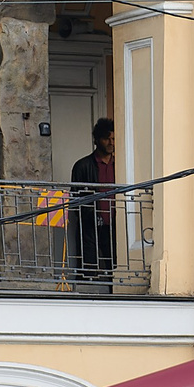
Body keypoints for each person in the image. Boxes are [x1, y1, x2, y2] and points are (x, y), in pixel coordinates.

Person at [69, 117, 118, 288]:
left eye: (114, 138)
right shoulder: (82, 166)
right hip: (90, 225)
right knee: (89, 268)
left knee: (117, 268)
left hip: (116, 225)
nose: (111, 142)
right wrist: (90, 215)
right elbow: (75, 198)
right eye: (107, 138)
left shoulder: (120, 165)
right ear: (97, 140)